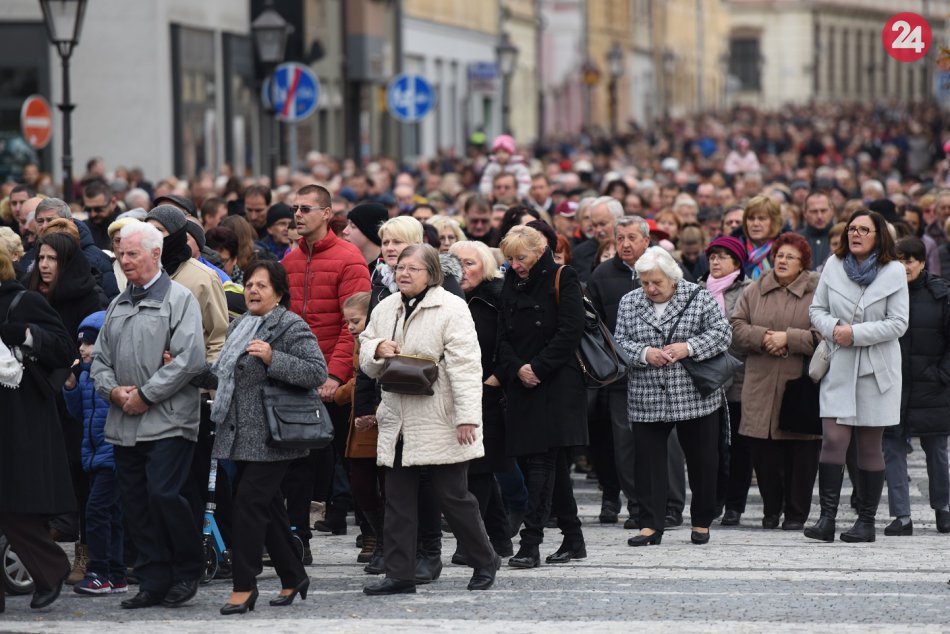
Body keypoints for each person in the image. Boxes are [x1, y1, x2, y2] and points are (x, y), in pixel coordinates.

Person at [359, 244, 500, 595]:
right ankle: (400, 574)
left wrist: (467, 418)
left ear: (432, 273)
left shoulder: (451, 307)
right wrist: (376, 349)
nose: (403, 273)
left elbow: (467, 367)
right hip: (397, 415)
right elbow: (364, 350)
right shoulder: (386, 307)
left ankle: (484, 560)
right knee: (398, 498)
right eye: (400, 268)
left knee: (453, 496)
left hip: (441, 414)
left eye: (413, 268)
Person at [190, 260, 326, 614]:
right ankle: (294, 576)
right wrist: (187, 369)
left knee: (248, 504)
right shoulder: (242, 326)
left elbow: (316, 372)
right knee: (266, 508)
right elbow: (224, 376)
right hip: (239, 433)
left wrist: (272, 358)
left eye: (262, 285)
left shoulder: (289, 324)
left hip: (273, 435)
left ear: (279, 293)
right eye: (249, 284)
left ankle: (243, 585)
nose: (253, 290)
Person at [90, 221, 207, 608]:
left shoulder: (179, 298)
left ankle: (187, 570)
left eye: (132, 253)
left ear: (155, 254)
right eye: (121, 254)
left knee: (164, 494)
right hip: (125, 420)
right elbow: (99, 361)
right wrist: (114, 391)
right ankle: (153, 578)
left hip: (169, 419)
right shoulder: (118, 302)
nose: (124, 261)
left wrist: (146, 394)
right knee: (136, 503)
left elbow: (189, 359)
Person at [615, 246, 731, 546]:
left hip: (694, 393)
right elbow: (619, 343)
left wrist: (688, 348)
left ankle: (702, 521)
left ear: (673, 278)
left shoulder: (698, 296)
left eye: (657, 283)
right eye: (644, 283)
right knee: (648, 463)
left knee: (703, 461)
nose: (650, 289)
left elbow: (722, 333)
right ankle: (650, 525)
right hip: (647, 394)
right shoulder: (629, 302)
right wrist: (643, 353)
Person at [805, 210, 909, 543]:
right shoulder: (833, 266)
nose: (856, 234)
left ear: (879, 235)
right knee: (833, 440)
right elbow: (816, 310)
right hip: (839, 360)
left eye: (864, 229)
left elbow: (898, 323)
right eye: (852, 228)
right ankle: (827, 520)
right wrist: (835, 329)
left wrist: (857, 333)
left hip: (877, 368)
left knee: (869, 446)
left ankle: (866, 522)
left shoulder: (893, 271)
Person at [282, 184, 370, 562]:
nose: (297, 215)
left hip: (335, 376)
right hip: (295, 376)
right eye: (294, 208)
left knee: (353, 459)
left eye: (305, 208)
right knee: (298, 462)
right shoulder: (288, 260)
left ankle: (373, 533)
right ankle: (298, 536)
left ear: (327, 214)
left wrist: (333, 376)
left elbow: (354, 325)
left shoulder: (349, 258)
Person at [586, 217, 687, 529]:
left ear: (647, 240)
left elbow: (689, 306)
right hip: (622, 376)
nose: (625, 244)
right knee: (626, 444)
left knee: (667, 444)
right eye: (620, 238)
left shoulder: (666, 266)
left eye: (632, 237)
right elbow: (595, 326)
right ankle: (639, 506)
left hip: (666, 374)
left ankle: (670, 506)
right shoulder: (602, 275)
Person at [496, 225, 587, 568]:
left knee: (541, 463)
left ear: (539, 252)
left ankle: (530, 542)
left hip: (556, 383)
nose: (516, 265)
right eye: (510, 259)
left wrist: (538, 367)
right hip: (523, 381)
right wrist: (518, 368)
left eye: (521, 257)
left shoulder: (563, 275)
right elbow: (503, 335)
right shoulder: (511, 281)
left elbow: (570, 330)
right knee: (552, 466)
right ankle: (573, 538)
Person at [0, 247, 76, 611]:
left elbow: (63, 349)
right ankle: (50, 569)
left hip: (20, 421)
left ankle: (51, 567)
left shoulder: (24, 300)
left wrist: (26, 335)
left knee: (15, 505)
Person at [730, 233, 821, 530]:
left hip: (799, 384)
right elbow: (735, 327)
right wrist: (765, 337)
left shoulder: (817, 290)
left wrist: (790, 339)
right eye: (780, 255)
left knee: (801, 453)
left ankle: (796, 514)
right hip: (760, 380)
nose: (782, 261)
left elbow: (824, 333)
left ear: (803, 263)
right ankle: (771, 510)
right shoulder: (755, 289)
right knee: (763, 452)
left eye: (790, 257)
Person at [449, 239, 514, 560]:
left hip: (490, 391)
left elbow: (513, 341)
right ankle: (500, 538)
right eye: (456, 262)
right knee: (478, 468)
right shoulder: (447, 298)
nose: (462, 269)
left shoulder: (498, 298)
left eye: (470, 263)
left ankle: (469, 543)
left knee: (479, 468)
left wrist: (498, 377)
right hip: (458, 392)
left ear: (486, 267)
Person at [883, 237, 950, 536]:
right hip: (893, 385)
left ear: (922, 263)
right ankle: (902, 516)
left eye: (910, 259)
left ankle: (943, 509)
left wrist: (942, 374)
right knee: (892, 449)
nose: (905, 265)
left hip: (931, 385)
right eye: (899, 259)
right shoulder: (882, 293)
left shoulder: (941, 294)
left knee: (936, 450)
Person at [63, 311, 127, 595]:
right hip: (93, 455)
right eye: (81, 343)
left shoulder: (113, 375)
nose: (82, 348)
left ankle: (99, 571)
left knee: (97, 511)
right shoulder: (88, 376)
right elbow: (79, 414)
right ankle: (116, 574)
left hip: (111, 454)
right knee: (110, 514)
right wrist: (71, 387)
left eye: (88, 343)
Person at [700, 236, 751, 527]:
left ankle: (734, 504)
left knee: (738, 446)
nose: (715, 262)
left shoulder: (747, 290)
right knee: (710, 445)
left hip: (738, 376)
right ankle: (713, 501)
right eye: (712, 257)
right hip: (705, 379)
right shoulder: (696, 289)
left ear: (737, 262)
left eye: (723, 256)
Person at [740, 195, 783, 280]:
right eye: (751, 219)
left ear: (774, 222)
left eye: (762, 219)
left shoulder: (784, 250)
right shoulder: (735, 251)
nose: (755, 223)